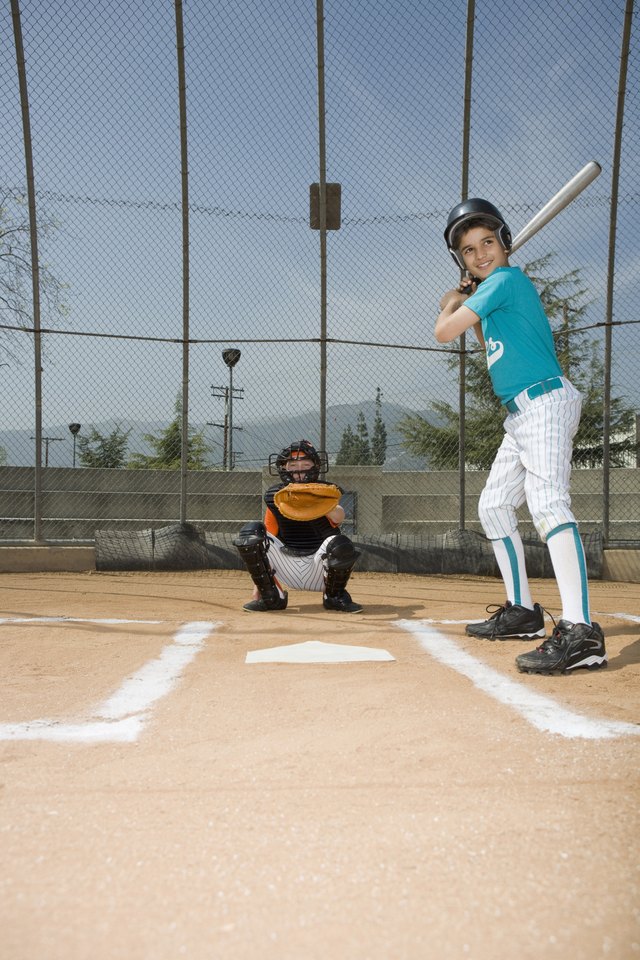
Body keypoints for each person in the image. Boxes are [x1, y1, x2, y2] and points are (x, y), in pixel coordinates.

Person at [435, 198, 606, 675]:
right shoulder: (495, 293)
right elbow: (466, 332)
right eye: (469, 250)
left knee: (548, 502)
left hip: (545, 402)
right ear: (461, 260)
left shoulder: (506, 281)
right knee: (493, 506)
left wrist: (454, 296)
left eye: (488, 242)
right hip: (521, 414)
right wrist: (469, 293)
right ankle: (523, 611)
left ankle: (581, 630)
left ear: (504, 242)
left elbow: (444, 329)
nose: (481, 253)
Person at [234, 439, 363, 613]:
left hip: (320, 570)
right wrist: (257, 585)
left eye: (305, 464)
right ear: (284, 468)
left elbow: (339, 516)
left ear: (315, 466)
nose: (299, 469)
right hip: (287, 566)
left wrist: (315, 501)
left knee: (340, 543)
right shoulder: (275, 496)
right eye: (293, 465)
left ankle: (334, 596)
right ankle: (271, 597)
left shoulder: (325, 491)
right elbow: (266, 537)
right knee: (251, 532)